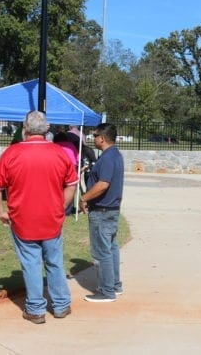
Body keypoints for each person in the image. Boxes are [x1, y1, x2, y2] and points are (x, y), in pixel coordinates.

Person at [0, 111, 79, 324]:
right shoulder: (58, 153)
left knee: (31, 263)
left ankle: (36, 309)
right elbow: (71, 184)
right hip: (52, 219)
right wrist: (62, 206)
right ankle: (61, 305)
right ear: (47, 129)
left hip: (23, 219)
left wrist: (0, 211)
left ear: (24, 128)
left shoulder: (12, 153)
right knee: (54, 262)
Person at [79, 123, 125, 302]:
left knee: (102, 252)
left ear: (102, 138)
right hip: (111, 210)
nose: (93, 138)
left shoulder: (106, 158)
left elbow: (103, 184)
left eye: (95, 135)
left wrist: (84, 198)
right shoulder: (115, 155)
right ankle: (114, 285)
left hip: (103, 211)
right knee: (111, 248)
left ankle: (107, 291)